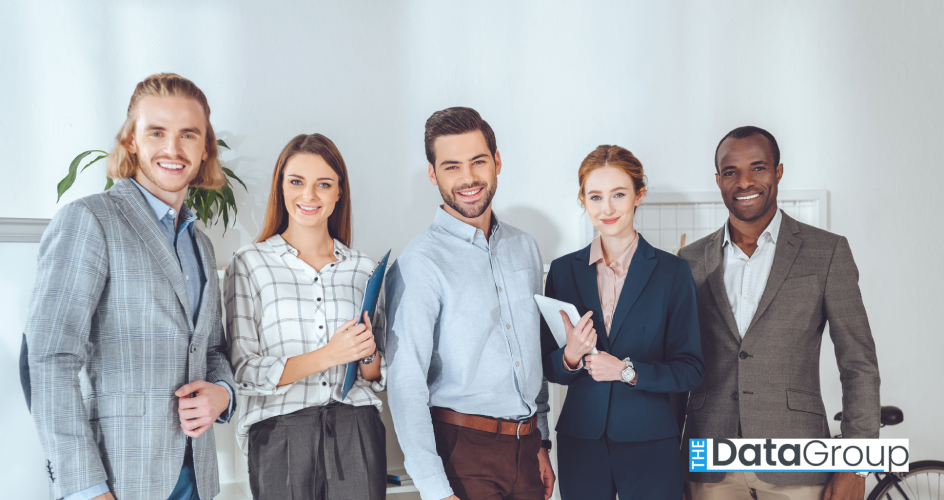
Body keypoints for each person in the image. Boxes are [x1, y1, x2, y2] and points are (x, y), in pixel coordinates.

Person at [25, 73, 236, 500]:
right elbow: (49, 359)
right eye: (156, 131)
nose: (173, 149)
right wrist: (85, 488)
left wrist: (222, 393)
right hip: (118, 482)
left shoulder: (200, 242)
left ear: (205, 148)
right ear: (132, 141)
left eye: (188, 135)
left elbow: (211, 348)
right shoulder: (90, 220)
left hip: (197, 479)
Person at [679, 126, 881, 500]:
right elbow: (676, 364)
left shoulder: (827, 252)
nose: (744, 182)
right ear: (718, 180)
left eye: (758, 167)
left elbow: (859, 363)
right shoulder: (689, 262)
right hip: (709, 458)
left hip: (797, 460)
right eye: (731, 171)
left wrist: (857, 463)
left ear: (778, 172)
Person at [386, 107, 555, 500]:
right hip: (463, 454)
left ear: (496, 162)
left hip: (527, 448)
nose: (467, 178)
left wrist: (541, 442)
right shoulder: (419, 263)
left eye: (478, 161)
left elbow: (533, 355)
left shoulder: (524, 247)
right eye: (451, 166)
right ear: (433, 174)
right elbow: (406, 381)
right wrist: (433, 488)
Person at [225, 133, 387, 499]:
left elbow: (378, 374)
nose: (309, 196)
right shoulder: (250, 263)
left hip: (356, 426)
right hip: (280, 430)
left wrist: (366, 353)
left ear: (339, 192)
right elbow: (244, 371)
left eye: (323, 184)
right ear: (280, 187)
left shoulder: (365, 268)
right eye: (296, 182)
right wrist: (329, 355)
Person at [540, 145, 705, 499]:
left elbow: (690, 369)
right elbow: (548, 368)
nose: (607, 208)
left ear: (638, 195)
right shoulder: (563, 271)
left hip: (651, 441)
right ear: (583, 200)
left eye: (618, 194)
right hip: (580, 440)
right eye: (595, 197)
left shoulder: (672, 272)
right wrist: (570, 356)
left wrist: (626, 371)